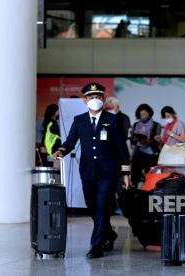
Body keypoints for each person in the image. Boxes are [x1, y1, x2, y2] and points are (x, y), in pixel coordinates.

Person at [52, 83, 130, 259]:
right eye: (91, 97)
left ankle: (96, 246)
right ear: (84, 100)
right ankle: (109, 234)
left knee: (102, 206)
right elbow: (70, 141)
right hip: (87, 171)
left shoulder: (113, 120)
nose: (94, 100)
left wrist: (125, 173)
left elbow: (121, 148)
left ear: (103, 99)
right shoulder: (79, 120)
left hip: (108, 172)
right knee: (93, 206)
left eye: (98, 96)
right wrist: (61, 151)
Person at [130, 104, 161, 186]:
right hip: (139, 152)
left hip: (152, 153)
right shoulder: (136, 125)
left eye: (145, 114)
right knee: (135, 174)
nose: (143, 116)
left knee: (151, 174)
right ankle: (134, 190)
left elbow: (157, 140)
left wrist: (151, 140)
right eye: (141, 114)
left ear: (149, 114)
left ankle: (150, 190)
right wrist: (136, 138)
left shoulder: (156, 125)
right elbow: (132, 140)